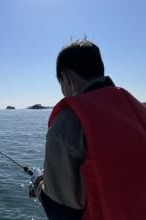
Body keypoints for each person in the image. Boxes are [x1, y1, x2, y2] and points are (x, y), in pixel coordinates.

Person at [29, 39, 146, 220]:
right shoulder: (138, 112)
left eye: (61, 83)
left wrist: (38, 182)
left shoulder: (68, 122)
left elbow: (60, 212)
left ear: (67, 78)